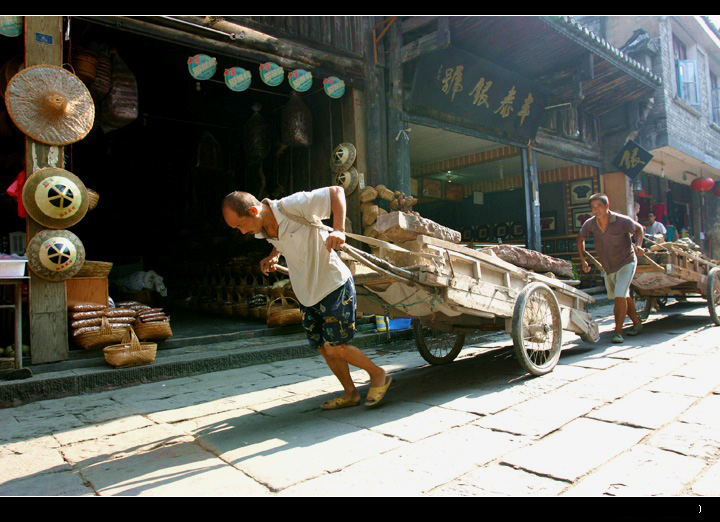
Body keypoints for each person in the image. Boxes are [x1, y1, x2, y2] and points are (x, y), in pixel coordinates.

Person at [222, 186, 391, 410]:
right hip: (306, 292)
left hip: (332, 284)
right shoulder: (262, 228)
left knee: (336, 346)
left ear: (254, 211)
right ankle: (350, 393)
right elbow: (281, 240)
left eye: (240, 226)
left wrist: (339, 230)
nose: (242, 232)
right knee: (323, 347)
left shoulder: (292, 205)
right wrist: (274, 255)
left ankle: (378, 374)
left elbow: (336, 192)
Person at [577, 193, 646, 344]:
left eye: (599, 207)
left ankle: (618, 332)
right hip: (608, 266)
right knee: (623, 295)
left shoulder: (622, 221)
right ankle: (637, 323)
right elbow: (581, 238)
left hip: (626, 262)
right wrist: (583, 261)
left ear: (607, 206)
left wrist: (639, 245)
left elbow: (639, 229)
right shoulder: (590, 224)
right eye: (593, 208)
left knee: (620, 295)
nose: (596, 210)